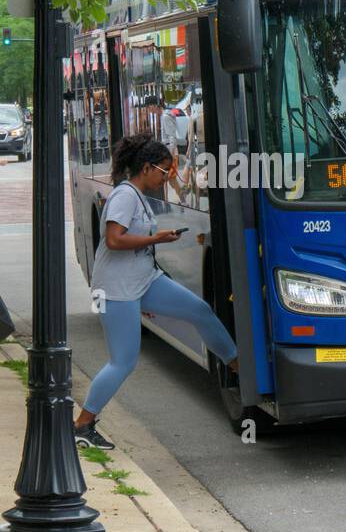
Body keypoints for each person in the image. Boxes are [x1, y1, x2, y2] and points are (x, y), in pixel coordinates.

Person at [75, 134, 238, 450]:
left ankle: (235, 364)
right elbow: (114, 240)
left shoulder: (136, 196)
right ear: (146, 168)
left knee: (199, 310)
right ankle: (83, 425)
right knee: (123, 362)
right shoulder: (124, 196)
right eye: (164, 171)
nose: (167, 177)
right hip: (117, 289)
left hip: (142, 281)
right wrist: (157, 239)